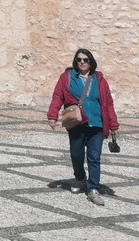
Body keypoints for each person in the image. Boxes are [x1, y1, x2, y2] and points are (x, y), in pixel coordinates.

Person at [47, 48, 119, 206]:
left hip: (97, 124)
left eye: (85, 60)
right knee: (76, 154)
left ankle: (93, 188)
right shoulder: (67, 77)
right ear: (76, 61)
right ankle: (80, 178)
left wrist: (113, 124)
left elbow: (107, 104)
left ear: (91, 62)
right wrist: (52, 115)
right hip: (77, 124)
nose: (82, 62)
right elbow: (58, 96)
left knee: (94, 157)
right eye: (79, 59)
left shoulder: (99, 80)